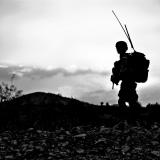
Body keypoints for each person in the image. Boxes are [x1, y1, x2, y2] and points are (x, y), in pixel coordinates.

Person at [111, 41, 139, 108]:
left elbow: (124, 72)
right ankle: (131, 116)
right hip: (130, 83)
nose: (117, 49)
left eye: (118, 47)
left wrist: (116, 77)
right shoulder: (126, 57)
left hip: (127, 84)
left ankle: (128, 117)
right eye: (117, 47)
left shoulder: (124, 58)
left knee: (124, 101)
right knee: (131, 101)